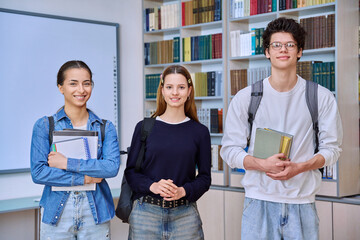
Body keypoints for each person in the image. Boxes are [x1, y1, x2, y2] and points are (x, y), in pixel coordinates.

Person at [220, 17, 343, 240]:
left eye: (290, 44)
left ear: (300, 51)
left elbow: (332, 150)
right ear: (267, 52)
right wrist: (261, 164)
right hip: (258, 203)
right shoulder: (246, 97)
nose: (283, 49)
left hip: (302, 204)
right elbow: (229, 150)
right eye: (276, 45)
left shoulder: (320, 97)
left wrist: (301, 166)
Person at [30, 60, 120, 240]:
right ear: (60, 87)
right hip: (57, 212)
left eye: (86, 83)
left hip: (95, 212)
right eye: (73, 83)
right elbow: (39, 173)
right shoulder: (44, 126)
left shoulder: (105, 127)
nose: (81, 90)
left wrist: (65, 163)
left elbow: (110, 168)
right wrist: (85, 178)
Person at [125, 65, 211, 240]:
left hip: (185, 215)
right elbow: (131, 172)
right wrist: (153, 186)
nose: (175, 93)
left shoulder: (200, 132)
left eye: (181, 87)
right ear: (162, 91)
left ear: (189, 91)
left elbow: (204, 178)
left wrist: (183, 191)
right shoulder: (144, 127)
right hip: (145, 214)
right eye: (169, 87)